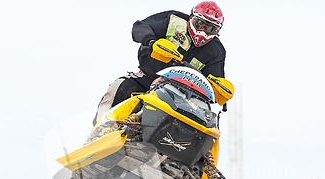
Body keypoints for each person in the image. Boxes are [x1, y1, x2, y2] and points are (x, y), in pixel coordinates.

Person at [93, 1, 227, 125]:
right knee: (120, 86)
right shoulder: (173, 19)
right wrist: (151, 41)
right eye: (200, 24)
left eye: (211, 29)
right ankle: (101, 129)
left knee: (208, 118)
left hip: (183, 96)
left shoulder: (217, 51)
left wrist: (221, 91)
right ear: (191, 18)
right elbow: (141, 26)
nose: (203, 31)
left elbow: (214, 80)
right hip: (147, 78)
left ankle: (201, 148)